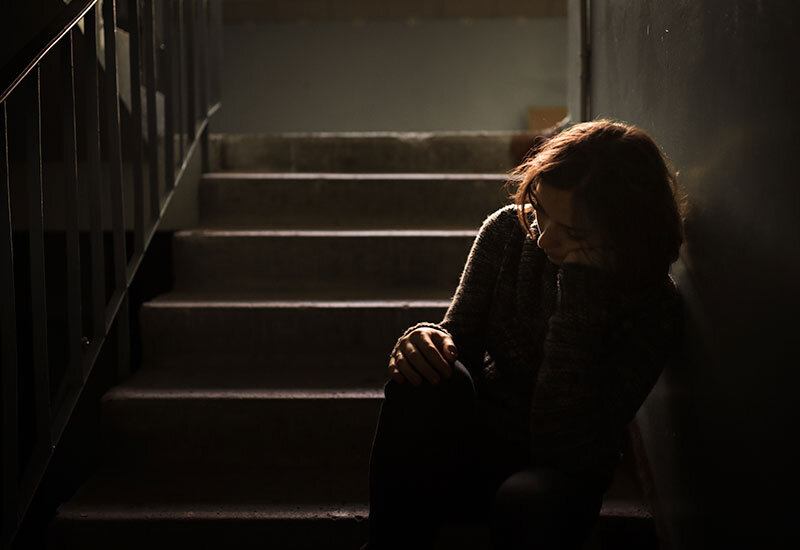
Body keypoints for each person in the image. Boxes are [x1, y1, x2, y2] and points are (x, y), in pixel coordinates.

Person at [360, 120, 685, 550]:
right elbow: (458, 344)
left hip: (557, 479)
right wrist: (425, 340)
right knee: (425, 383)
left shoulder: (654, 308)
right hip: (476, 448)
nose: (545, 238)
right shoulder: (509, 231)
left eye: (573, 232)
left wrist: (580, 291)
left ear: (622, 230)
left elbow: (566, 444)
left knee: (528, 502)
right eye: (542, 212)